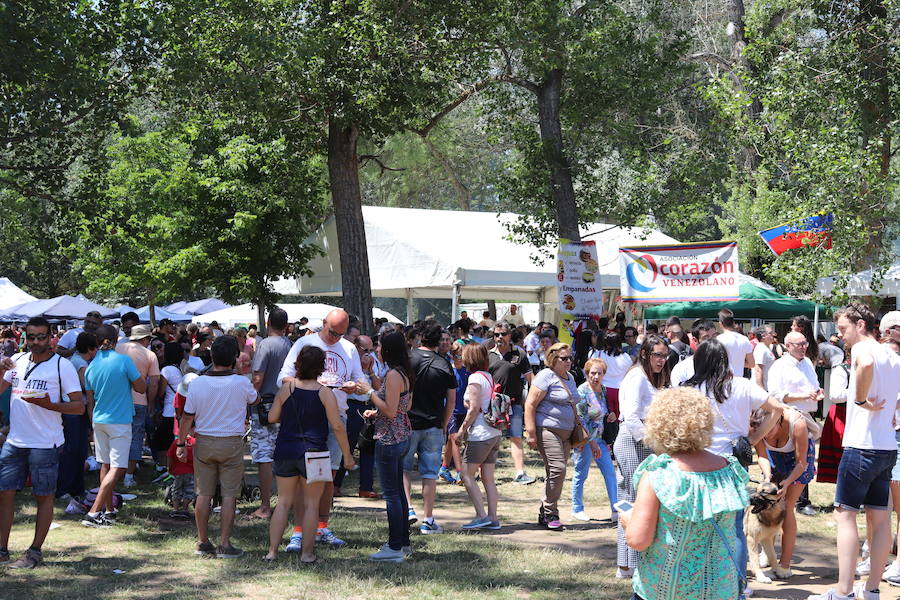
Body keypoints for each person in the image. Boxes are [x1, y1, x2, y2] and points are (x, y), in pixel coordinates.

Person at [621, 387, 750, 600]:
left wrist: (628, 519)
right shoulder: (729, 469)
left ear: (658, 425)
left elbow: (638, 540)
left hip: (666, 590)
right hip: (720, 590)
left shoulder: (658, 474)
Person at [808, 303, 900, 600]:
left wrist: (860, 400)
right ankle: (871, 589)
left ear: (860, 325)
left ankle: (844, 591)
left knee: (844, 515)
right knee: (880, 518)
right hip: (886, 447)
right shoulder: (892, 354)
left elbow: (866, 365)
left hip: (861, 446)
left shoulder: (864, 350)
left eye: (844, 329)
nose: (841, 336)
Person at [682, 338, 784, 593]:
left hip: (697, 463)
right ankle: (738, 585)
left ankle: (699, 584)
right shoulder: (742, 385)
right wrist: (754, 438)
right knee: (735, 530)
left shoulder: (691, 389)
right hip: (733, 466)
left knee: (698, 527)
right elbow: (777, 408)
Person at [0, 316, 83, 568]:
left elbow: (79, 407)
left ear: (51, 338)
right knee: (4, 494)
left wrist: (49, 405)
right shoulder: (17, 361)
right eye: (32, 337)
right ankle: (2, 550)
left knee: (43, 496)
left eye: (41, 337)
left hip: (45, 443)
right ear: (25, 337)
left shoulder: (62, 366)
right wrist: (1, 370)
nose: (36, 342)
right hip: (15, 440)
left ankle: (34, 551)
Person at [278, 308, 364, 549]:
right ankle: (298, 531)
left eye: (340, 334)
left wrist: (353, 387)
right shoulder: (304, 343)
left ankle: (321, 527)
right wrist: (311, 385)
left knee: (328, 476)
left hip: (337, 415)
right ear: (323, 323)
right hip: (307, 418)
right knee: (301, 477)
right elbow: (283, 377)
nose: (335, 338)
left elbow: (360, 381)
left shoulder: (348, 349)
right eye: (332, 332)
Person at [264, 345, 353, 563]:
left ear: (298, 364)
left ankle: (272, 551)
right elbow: (338, 426)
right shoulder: (325, 393)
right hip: (315, 452)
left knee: (283, 502)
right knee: (312, 505)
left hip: (286, 449)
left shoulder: (287, 389)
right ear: (321, 367)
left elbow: (272, 417)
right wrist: (348, 456)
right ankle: (307, 553)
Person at [176, 335, 258, 559]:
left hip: (204, 441)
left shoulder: (198, 383)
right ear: (234, 358)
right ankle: (225, 543)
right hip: (231, 442)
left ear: (211, 356)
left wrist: (181, 443)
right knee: (229, 495)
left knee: (203, 493)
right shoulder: (241, 382)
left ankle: (203, 541)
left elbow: (186, 418)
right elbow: (255, 399)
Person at [614, 334, 670, 579]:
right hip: (633, 439)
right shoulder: (637, 376)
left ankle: (631, 561)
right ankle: (626, 564)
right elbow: (631, 416)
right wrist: (655, 443)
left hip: (646, 440)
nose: (662, 360)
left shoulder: (649, 376)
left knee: (640, 500)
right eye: (657, 355)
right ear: (645, 354)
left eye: (665, 355)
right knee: (631, 499)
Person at [82, 325, 145, 527]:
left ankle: (109, 510)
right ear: (116, 339)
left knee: (105, 465)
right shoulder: (124, 361)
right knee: (118, 468)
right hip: (119, 420)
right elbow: (141, 388)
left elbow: (90, 401)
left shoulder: (91, 366)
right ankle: (94, 512)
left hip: (99, 420)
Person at [364, 331, 414, 562]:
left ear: (388, 349)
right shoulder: (404, 372)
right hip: (402, 434)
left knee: (392, 495)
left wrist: (369, 393)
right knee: (399, 494)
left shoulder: (394, 374)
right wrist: (377, 411)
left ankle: (394, 547)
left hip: (390, 437)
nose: (377, 349)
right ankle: (403, 542)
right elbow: (403, 405)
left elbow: (391, 410)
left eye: (379, 346)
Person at [403, 320, 456, 533]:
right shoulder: (444, 364)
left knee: (403, 469)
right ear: (438, 342)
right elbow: (451, 400)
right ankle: (429, 519)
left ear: (420, 338)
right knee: (430, 474)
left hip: (408, 423)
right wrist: (444, 423)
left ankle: (407, 508)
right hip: (433, 424)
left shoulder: (407, 360)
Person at [751, 405, 816, 578]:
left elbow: (801, 463)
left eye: (769, 430)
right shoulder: (756, 425)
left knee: (787, 506)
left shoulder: (797, 424)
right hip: (774, 457)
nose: (765, 435)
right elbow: (762, 456)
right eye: (762, 432)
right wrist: (767, 476)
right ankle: (769, 554)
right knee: (769, 504)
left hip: (799, 461)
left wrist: (787, 482)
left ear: (777, 420)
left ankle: (785, 565)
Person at [524, 342, 579, 531]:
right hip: (547, 430)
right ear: (553, 359)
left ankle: (544, 510)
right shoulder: (545, 376)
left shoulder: (570, 377)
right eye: (564, 359)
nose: (569, 361)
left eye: (570, 358)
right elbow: (530, 404)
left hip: (567, 433)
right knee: (558, 469)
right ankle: (550, 512)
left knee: (554, 474)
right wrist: (531, 433)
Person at [248, 307, 293, 520]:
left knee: (264, 456)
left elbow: (257, 378)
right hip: (287, 404)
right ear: (286, 325)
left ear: (268, 322)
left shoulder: (265, 345)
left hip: (265, 405)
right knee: (284, 453)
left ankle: (265, 506)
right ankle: (286, 501)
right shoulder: (290, 345)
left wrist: (249, 398)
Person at [455, 343, 502, 530]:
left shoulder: (474, 378)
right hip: (493, 432)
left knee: (466, 474)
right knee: (488, 478)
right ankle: (492, 517)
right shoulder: (488, 376)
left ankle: (481, 516)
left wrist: (461, 430)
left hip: (481, 434)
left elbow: (474, 408)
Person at [488, 321, 535, 485]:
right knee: (492, 439)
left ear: (509, 335)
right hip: (493, 405)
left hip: (514, 404)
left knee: (516, 437)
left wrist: (531, 400)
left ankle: (520, 473)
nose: (499, 337)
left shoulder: (519, 354)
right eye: (496, 334)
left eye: (503, 334)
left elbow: (531, 379)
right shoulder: (488, 355)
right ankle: (487, 473)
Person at [571, 357, 618, 522]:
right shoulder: (582, 391)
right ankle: (577, 508)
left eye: (599, 373)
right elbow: (581, 418)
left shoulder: (603, 390)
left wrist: (610, 415)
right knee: (581, 473)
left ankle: (615, 509)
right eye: (592, 373)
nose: (595, 377)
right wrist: (590, 443)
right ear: (586, 373)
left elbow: (603, 411)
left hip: (600, 439)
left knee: (610, 473)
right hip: (585, 441)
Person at [335, 334, 381, 498]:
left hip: (368, 407)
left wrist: (370, 372)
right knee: (346, 446)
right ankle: (335, 484)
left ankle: (366, 487)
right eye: (365, 350)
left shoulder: (372, 362)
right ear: (356, 347)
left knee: (368, 447)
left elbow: (378, 388)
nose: (368, 353)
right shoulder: (348, 360)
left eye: (371, 349)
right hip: (352, 406)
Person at [116, 324, 160, 488]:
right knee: (135, 438)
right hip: (139, 401)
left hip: (117, 401)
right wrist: (151, 402)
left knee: (117, 437)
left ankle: (113, 472)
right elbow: (154, 383)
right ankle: (128, 475)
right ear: (145, 338)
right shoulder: (150, 355)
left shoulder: (117, 348)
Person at [57, 332, 96, 509]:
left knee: (78, 451)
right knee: (73, 451)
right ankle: (65, 488)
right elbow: (85, 386)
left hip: (73, 410)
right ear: (90, 348)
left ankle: (76, 488)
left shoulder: (74, 360)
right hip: (74, 411)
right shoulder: (80, 364)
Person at [767, 331, 824, 416]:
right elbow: (775, 395)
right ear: (788, 346)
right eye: (800, 344)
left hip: (809, 414)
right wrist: (802, 396)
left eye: (805, 343)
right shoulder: (779, 365)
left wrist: (818, 392)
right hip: (790, 416)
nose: (804, 347)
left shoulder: (808, 362)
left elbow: (814, 385)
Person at [817, 345, 849, 484]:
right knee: (843, 454)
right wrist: (860, 391)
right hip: (842, 415)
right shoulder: (842, 369)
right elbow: (836, 395)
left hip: (856, 413)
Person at [152, 342, 183, 479]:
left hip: (168, 410)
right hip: (176, 411)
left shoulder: (166, 370)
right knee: (170, 440)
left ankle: (165, 468)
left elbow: (161, 391)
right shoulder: (178, 369)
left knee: (162, 441)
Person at [439, 341, 468, 484]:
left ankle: (444, 468)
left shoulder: (467, 371)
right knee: (455, 439)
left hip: (463, 410)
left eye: (462, 355)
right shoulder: (448, 370)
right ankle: (460, 472)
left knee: (452, 441)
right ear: (452, 355)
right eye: (457, 355)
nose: (460, 358)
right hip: (450, 410)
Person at [597, 332, 631, 449]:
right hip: (620, 391)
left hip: (604, 389)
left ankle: (608, 443)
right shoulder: (626, 357)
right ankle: (617, 443)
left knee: (606, 418)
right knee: (618, 418)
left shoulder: (600, 355)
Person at [752, 325, 777, 390]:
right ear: (763, 336)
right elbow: (758, 370)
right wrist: (761, 390)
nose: (773, 335)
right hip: (761, 389)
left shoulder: (766, 348)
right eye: (770, 333)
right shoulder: (761, 349)